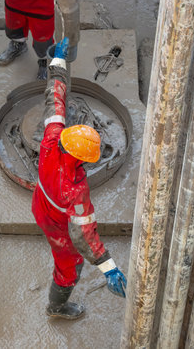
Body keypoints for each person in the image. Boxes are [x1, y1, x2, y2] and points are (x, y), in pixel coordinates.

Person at [32, 37, 127, 320]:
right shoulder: (74, 190)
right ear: (82, 159)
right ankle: (56, 307)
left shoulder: (51, 139)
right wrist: (107, 266)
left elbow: (55, 98)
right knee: (69, 267)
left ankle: (58, 302)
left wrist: (58, 62)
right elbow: (83, 236)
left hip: (41, 205)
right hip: (58, 225)